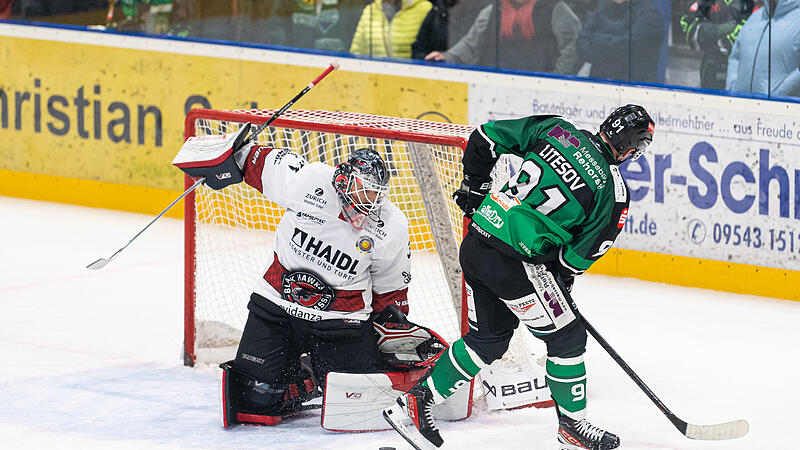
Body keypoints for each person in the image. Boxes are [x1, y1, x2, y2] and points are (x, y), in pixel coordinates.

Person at [383, 105, 655, 450]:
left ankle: (415, 402)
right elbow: (578, 257)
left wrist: (476, 186)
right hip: (513, 264)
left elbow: (484, 138)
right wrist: (560, 281)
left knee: (489, 340)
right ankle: (573, 427)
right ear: (631, 148)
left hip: (478, 241)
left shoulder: (557, 128)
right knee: (568, 338)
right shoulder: (612, 190)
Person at [177, 129, 416, 425]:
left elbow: (390, 289)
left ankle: (320, 371)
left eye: (375, 193)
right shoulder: (308, 179)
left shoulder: (391, 225)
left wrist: (390, 330)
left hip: (340, 324)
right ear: (344, 180)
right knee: (254, 400)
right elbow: (253, 161)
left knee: (354, 407)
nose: (369, 201)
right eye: (363, 190)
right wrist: (219, 159)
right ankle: (302, 379)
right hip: (276, 308)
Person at [418, 0, 582, 75]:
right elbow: (471, 43)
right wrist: (448, 56)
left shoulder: (556, 9)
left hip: (540, 84)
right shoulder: (493, 10)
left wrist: (556, 76)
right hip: (499, 80)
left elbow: (571, 48)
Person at [577, 0, 665, 83]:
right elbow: (582, 39)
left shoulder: (649, 14)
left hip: (636, 85)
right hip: (599, 81)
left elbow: (628, 46)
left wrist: (598, 40)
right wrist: (596, 56)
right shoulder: (603, 10)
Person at [726, 0, 800, 97]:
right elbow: (735, 56)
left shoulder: (797, 19)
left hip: (781, 105)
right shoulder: (755, 17)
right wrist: (732, 88)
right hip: (740, 103)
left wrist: (782, 93)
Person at [679, 0, 756, 90]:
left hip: (740, 67)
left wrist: (710, 36)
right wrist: (720, 30)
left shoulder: (748, 3)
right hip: (711, 65)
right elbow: (688, 28)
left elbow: (752, 36)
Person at [259, 0, 364, 52]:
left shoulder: (350, 3)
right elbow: (276, 27)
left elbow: (354, 36)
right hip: (295, 64)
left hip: (334, 68)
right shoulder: (290, 2)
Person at [349, 0, 432, 59]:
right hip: (374, 75)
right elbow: (357, 52)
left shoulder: (424, 8)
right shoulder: (370, 10)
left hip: (414, 74)